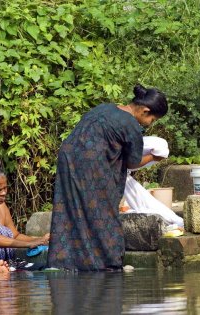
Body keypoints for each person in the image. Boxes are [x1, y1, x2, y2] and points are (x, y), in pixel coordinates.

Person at [47, 84, 168, 271]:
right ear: (145, 110)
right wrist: (154, 157)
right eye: (152, 119)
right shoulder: (130, 125)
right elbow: (132, 162)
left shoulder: (105, 107)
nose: (150, 123)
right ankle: (106, 263)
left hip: (68, 158)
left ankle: (66, 261)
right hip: (91, 165)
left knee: (71, 208)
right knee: (103, 212)